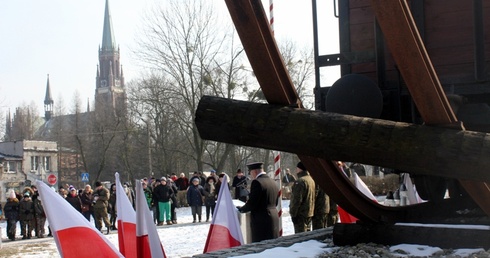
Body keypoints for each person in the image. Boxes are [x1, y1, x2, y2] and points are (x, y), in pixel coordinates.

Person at [237, 162, 279, 243]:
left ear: (254, 172)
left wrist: (242, 209)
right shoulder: (272, 181)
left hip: (261, 220)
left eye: (250, 173)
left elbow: (252, 202)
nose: (251, 176)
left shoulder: (257, 182)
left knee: (261, 247)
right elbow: (276, 202)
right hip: (274, 217)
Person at [289, 161, 315, 233]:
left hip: (300, 214)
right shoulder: (311, 180)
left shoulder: (300, 181)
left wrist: (293, 214)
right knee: (308, 235)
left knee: (300, 237)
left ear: (300, 169)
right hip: (309, 212)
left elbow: (296, 200)